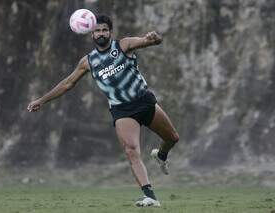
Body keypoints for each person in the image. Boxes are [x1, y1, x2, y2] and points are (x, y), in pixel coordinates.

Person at [27, 15, 179, 207]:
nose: (101, 33)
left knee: (173, 138)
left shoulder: (124, 45)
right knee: (131, 150)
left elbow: (150, 41)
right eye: (97, 30)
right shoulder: (88, 62)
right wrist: (42, 100)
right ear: (91, 34)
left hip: (144, 101)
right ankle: (150, 196)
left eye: (104, 30)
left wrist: (154, 37)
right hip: (122, 110)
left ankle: (161, 155)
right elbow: (67, 84)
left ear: (110, 32)